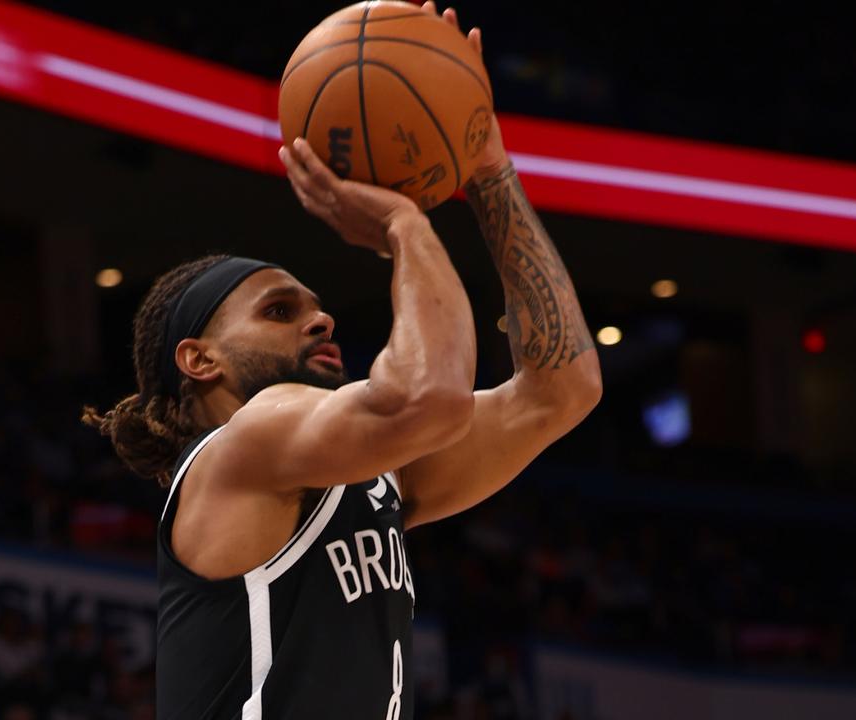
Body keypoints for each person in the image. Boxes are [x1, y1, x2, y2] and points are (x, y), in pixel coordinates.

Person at [84, 6, 602, 718]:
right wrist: (403, 225)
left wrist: (488, 171)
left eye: (313, 305)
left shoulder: (373, 475)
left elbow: (562, 390)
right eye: (279, 311)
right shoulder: (239, 452)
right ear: (200, 359)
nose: (319, 317)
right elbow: (432, 397)